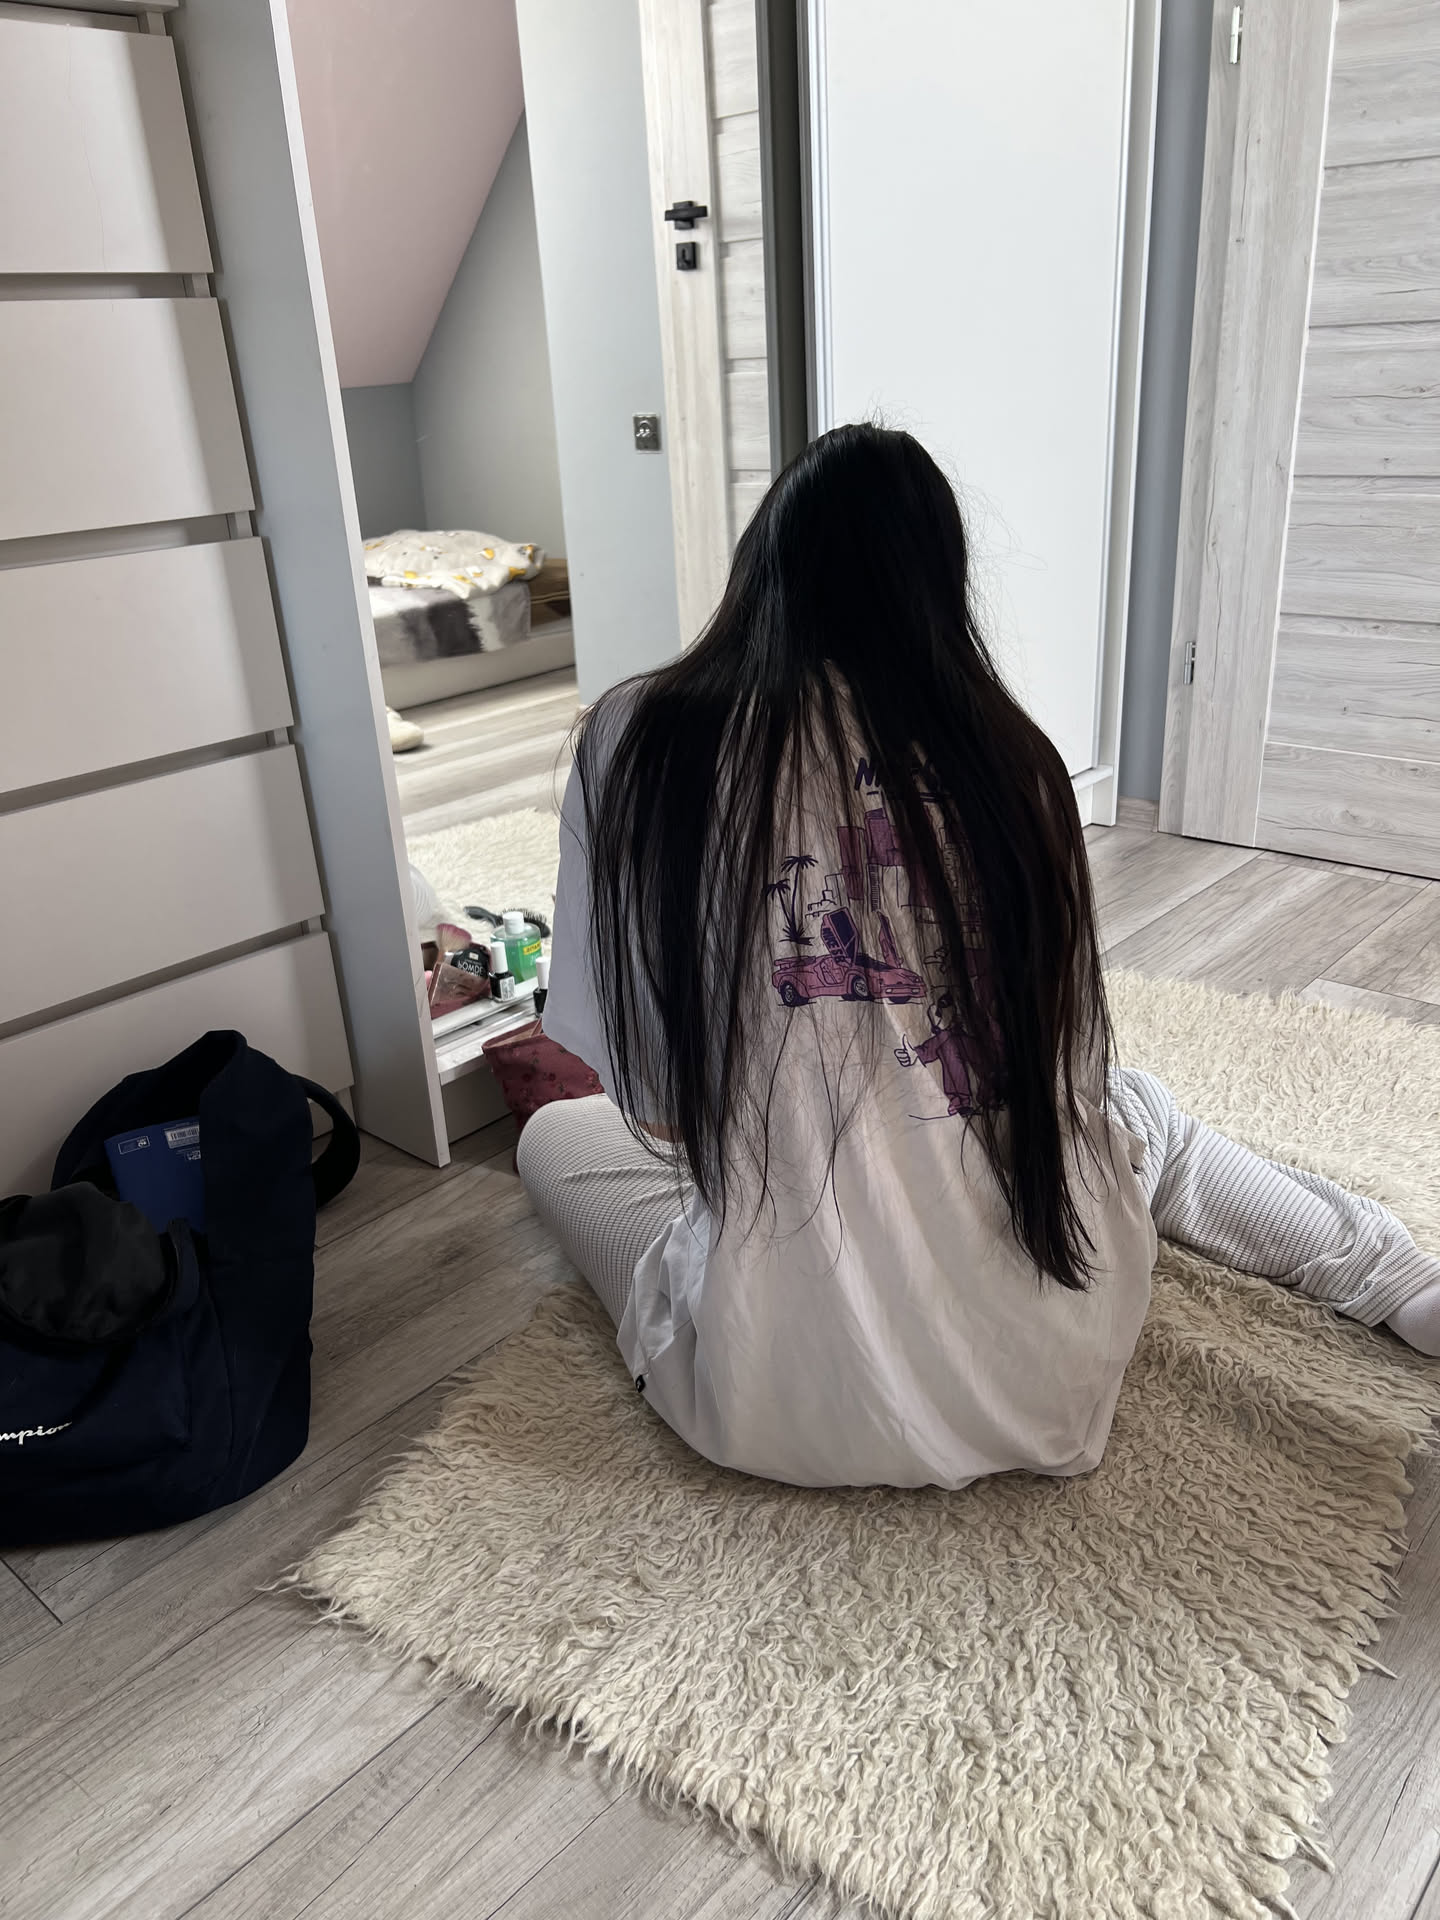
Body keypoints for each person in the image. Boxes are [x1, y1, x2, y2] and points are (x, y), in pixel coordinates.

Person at [520, 425, 1440, 1490]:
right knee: (1131, 1112)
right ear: (938, 591)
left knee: (556, 1134)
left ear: (762, 567)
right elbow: (1056, 1075)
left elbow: (662, 1117)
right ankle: (1403, 1281)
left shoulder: (637, 740)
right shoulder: (1016, 761)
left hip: (772, 1403)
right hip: (1049, 1369)